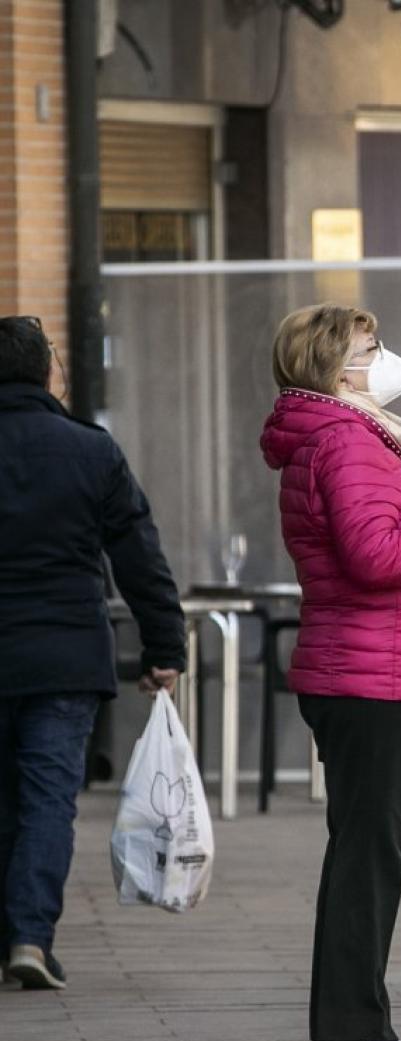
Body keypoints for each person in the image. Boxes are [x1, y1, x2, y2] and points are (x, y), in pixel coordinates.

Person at [260, 305, 401, 1041]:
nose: (385, 359)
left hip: (371, 666)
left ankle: (355, 1017)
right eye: (371, 348)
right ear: (335, 368)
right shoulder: (349, 442)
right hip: (373, 673)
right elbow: (376, 556)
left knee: (368, 847)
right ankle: (352, 1025)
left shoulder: (345, 437)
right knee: (369, 851)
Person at [0, 315, 185, 991]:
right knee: (48, 796)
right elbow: (139, 556)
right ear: (48, 372)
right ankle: (28, 937)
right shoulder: (90, 450)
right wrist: (164, 645)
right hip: (64, 655)